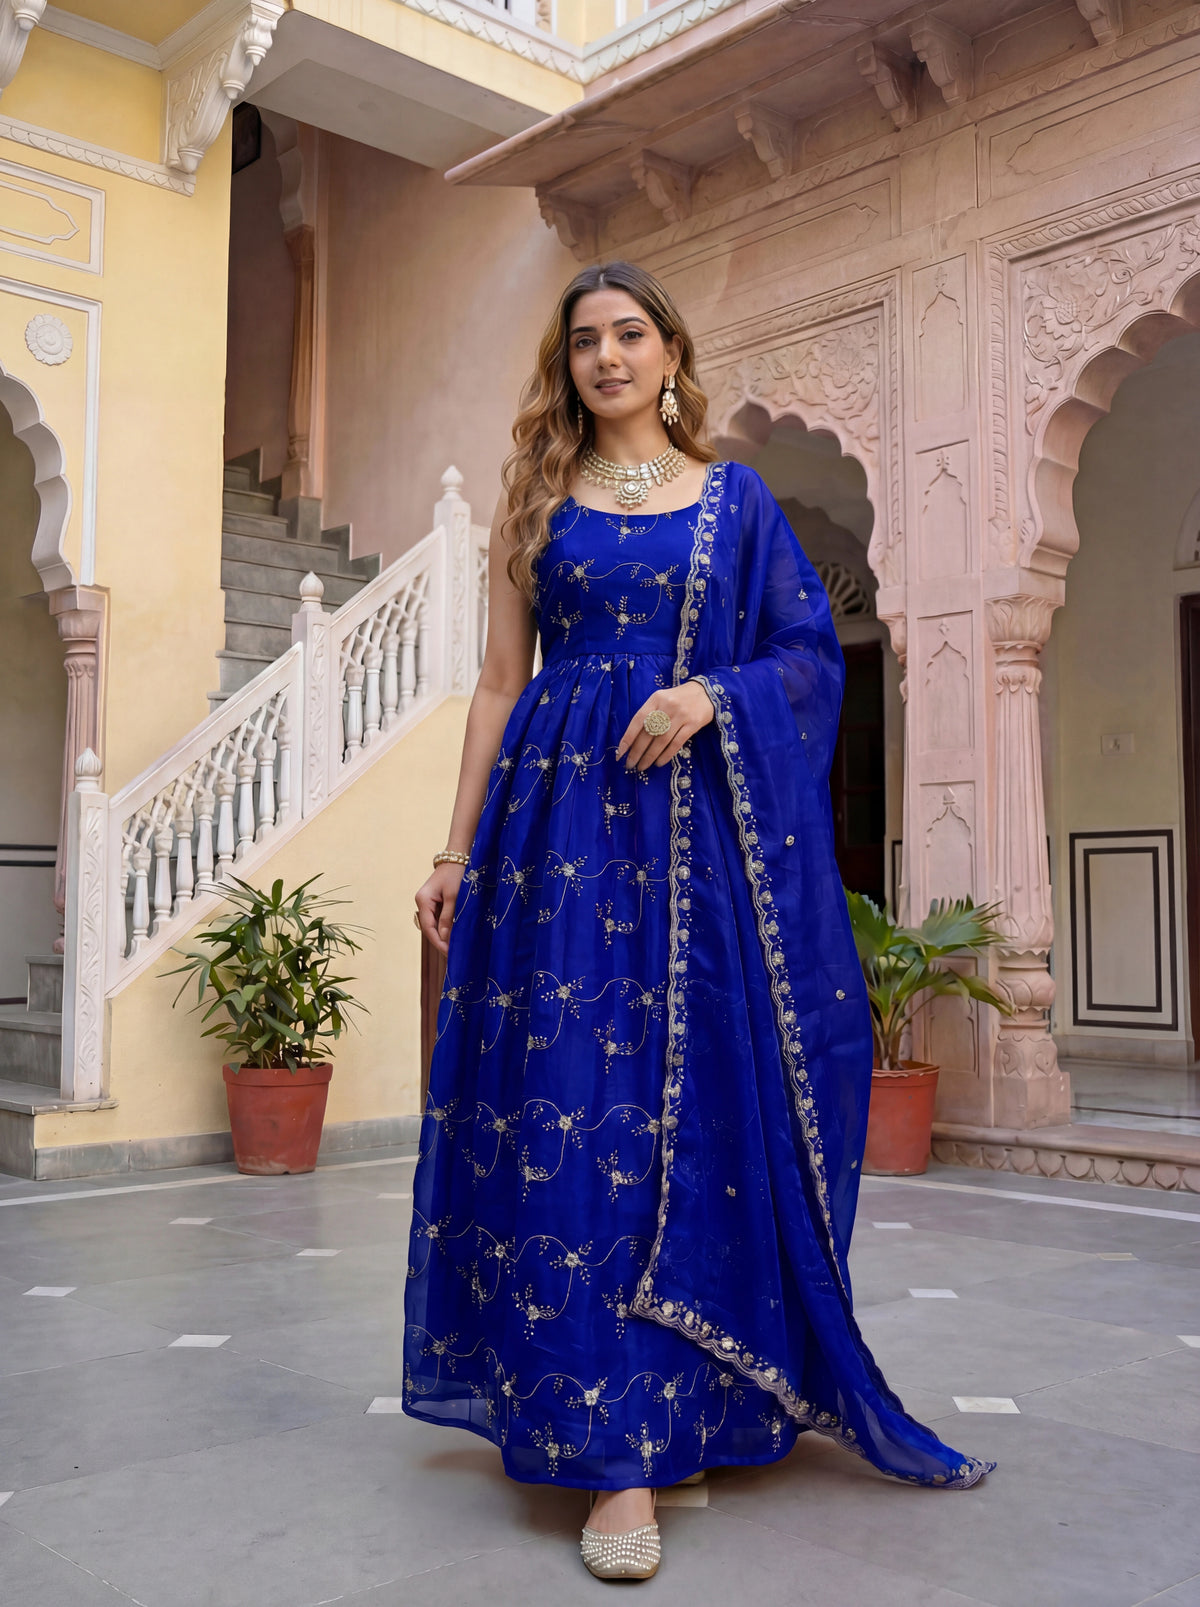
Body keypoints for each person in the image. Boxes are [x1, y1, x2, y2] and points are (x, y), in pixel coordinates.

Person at [404, 260, 993, 1582]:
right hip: (557, 838)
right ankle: (608, 1446)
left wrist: (709, 698)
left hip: (693, 851)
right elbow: (500, 688)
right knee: (572, 1101)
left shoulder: (735, 503)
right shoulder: (538, 502)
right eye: (584, 343)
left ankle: (692, 1400)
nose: (606, 358)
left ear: (672, 353)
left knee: (691, 1114)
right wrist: (455, 848)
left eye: (629, 335)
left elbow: (800, 655)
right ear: (567, 369)